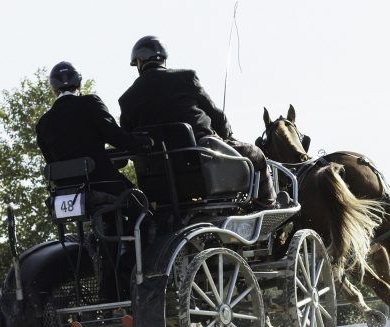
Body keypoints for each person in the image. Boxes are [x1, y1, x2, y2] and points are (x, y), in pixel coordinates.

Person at [118, 36, 281, 209]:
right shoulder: (186, 78)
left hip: (159, 185)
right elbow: (217, 116)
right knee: (255, 153)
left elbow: (128, 143)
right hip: (203, 171)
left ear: (139, 61)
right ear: (163, 59)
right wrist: (227, 136)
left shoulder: (126, 99)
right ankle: (268, 204)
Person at [36, 61, 151, 195]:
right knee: (141, 205)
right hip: (102, 184)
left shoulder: (43, 123)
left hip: (67, 192)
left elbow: (51, 162)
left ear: (53, 88)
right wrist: (143, 142)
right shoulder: (90, 103)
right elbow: (115, 136)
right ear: (79, 83)